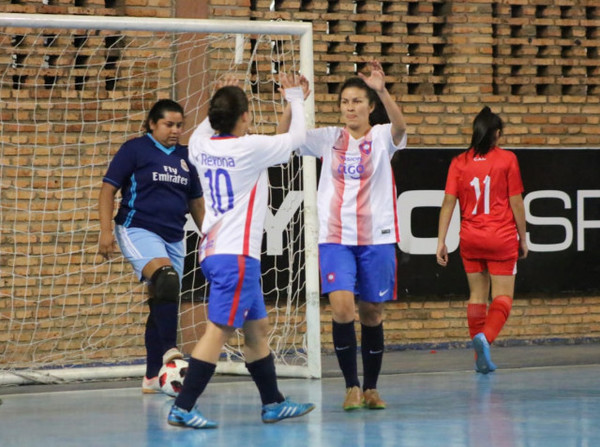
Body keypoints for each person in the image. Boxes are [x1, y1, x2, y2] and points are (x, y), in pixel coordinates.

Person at [166, 75, 314, 429]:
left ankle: (273, 402)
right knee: (218, 330)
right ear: (245, 117)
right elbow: (296, 140)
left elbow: (275, 141)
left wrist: (217, 96)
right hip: (235, 256)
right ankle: (183, 407)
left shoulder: (201, 145)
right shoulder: (248, 149)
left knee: (257, 327)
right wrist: (295, 97)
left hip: (216, 250)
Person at [279, 61, 407, 411]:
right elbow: (284, 141)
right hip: (335, 238)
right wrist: (293, 103)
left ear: (369, 106)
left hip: (377, 238)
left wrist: (382, 90)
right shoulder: (329, 138)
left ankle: (371, 388)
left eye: (356, 101)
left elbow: (401, 127)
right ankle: (350, 385)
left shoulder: (381, 136)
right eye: (344, 102)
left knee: (371, 312)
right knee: (342, 307)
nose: (350, 108)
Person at [98, 99, 205, 394]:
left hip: (174, 236)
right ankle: (171, 351)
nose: (175, 130)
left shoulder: (186, 157)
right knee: (166, 279)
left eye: (179, 125)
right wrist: (106, 231)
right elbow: (108, 189)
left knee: (161, 299)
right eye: (168, 124)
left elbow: (195, 200)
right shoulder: (135, 149)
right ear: (152, 124)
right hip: (137, 227)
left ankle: (150, 377)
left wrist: (209, 235)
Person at [436, 106, 528, 374]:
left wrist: (441, 241)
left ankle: (479, 360)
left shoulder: (459, 162)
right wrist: (523, 237)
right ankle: (484, 339)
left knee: (477, 295)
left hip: (470, 239)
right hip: (500, 238)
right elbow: (516, 203)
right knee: (503, 297)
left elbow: (447, 204)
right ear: (496, 134)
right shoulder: (507, 159)